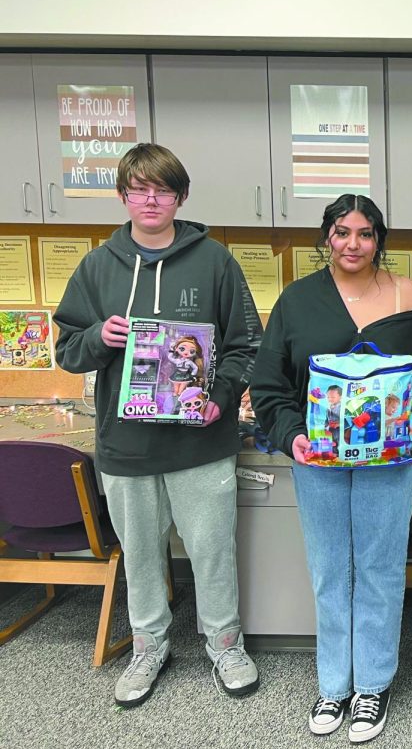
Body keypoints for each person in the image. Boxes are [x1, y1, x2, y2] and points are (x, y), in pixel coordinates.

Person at [53, 142, 262, 706]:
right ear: (123, 196)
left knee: (214, 549)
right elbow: (66, 349)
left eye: (162, 189)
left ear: (180, 197)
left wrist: (221, 396)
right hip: (127, 446)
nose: (151, 199)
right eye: (140, 189)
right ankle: (149, 645)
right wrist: (100, 337)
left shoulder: (215, 260)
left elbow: (247, 343)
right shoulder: (97, 267)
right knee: (141, 554)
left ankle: (224, 643)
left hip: (201, 441)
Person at [250, 194, 412, 744]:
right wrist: (293, 436)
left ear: (379, 239)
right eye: (341, 232)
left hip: (392, 463)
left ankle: (372, 687)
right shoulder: (297, 300)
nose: (352, 244)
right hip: (320, 462)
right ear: (326, 238)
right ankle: (333, 684)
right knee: (331, 571)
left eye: (364, 233)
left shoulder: (407, 294)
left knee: (380, 570)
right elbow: (269, 385)